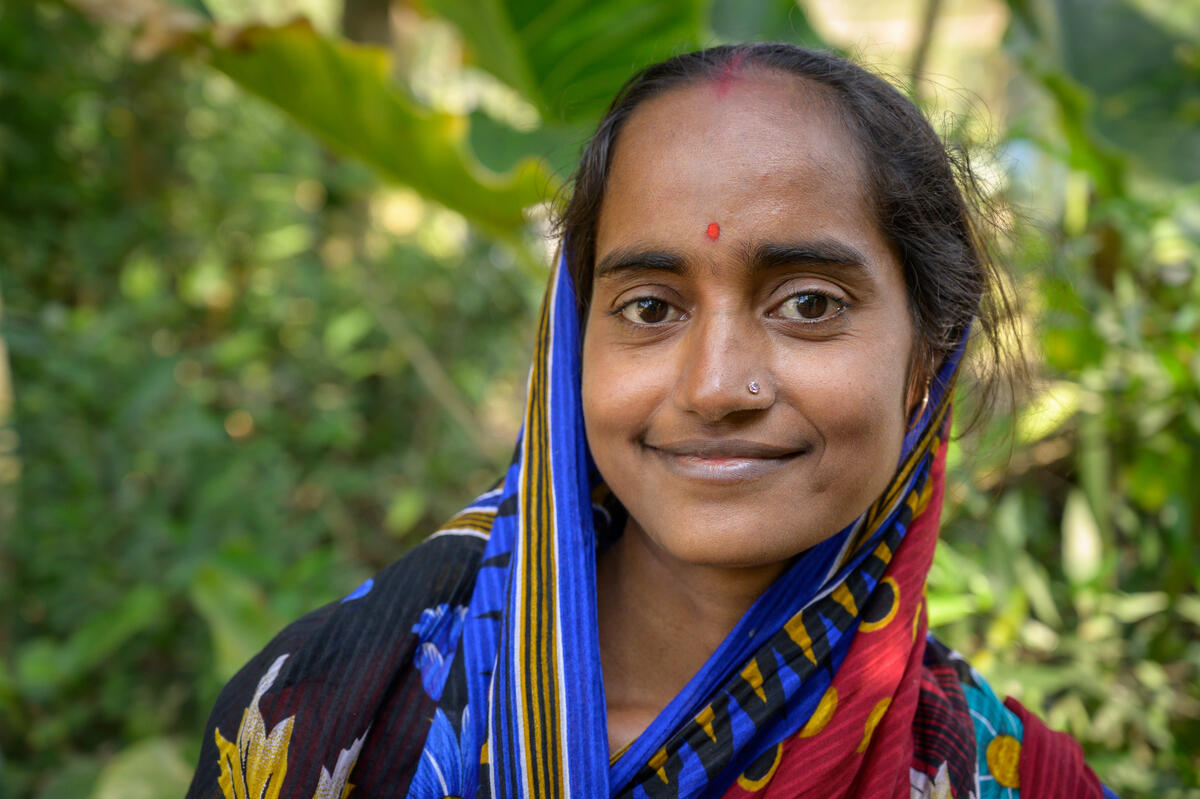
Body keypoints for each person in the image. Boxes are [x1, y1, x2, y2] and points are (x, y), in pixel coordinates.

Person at [186, 43, 1118, 799]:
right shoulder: (326, 715)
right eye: (650, 307)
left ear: (928, 352)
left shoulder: (1007, 777)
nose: (716, 386)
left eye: (806, 303)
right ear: (573, 341)